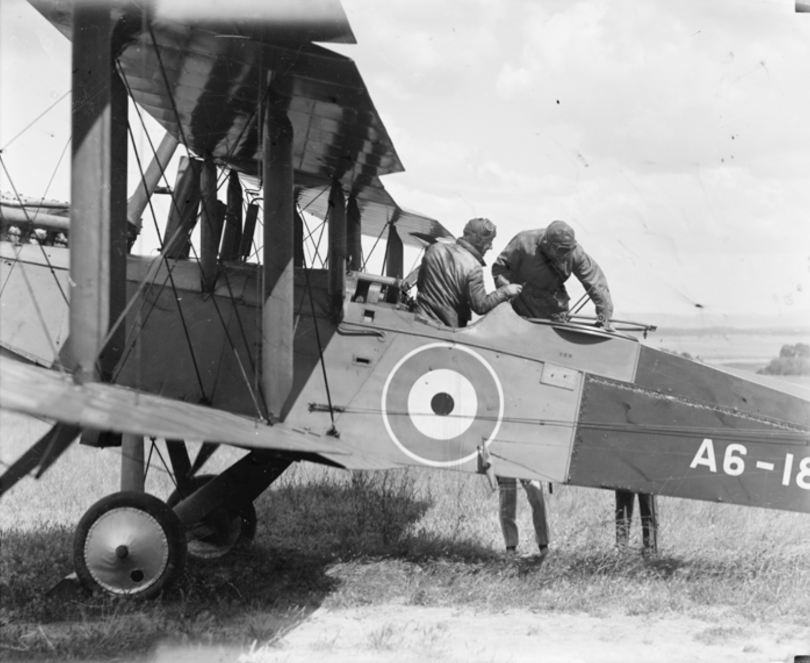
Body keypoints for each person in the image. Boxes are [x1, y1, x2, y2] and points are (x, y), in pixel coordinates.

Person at [491, 220, 613, 327]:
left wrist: (605, 317)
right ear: (546, 244)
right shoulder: (523, 241)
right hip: (523, 300)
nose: (565, 255)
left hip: (554, 304)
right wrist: (506, 293)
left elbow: (596, 282)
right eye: (561, 250)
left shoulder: (576, 253)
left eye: (569, 250)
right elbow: (500, 268)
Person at [415, 217, 521, 327]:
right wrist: (506, 291)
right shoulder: (474, 267)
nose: (490, 247)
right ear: (479, 241)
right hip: (446, 331)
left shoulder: (434, 249)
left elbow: (420, 284)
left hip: (420, 321)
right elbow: (481, 306)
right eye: (489, 242)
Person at [497, 477, 549, 561]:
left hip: (529, 465)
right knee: (507, 497)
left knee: (536, 493)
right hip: (506, 465)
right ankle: (510, 546)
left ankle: (543, 544)